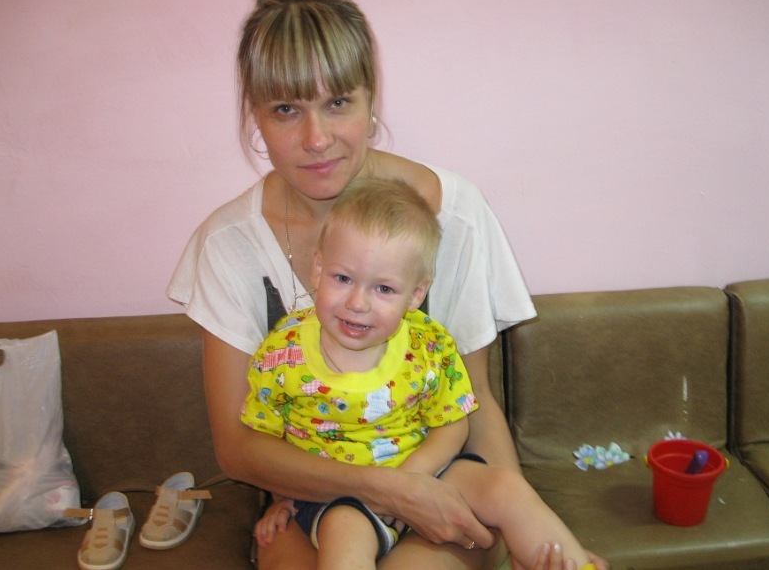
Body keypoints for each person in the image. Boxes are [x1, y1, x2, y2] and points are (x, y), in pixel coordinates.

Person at [167, 0, 607, 570]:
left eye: (338, 102)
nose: (316, 139)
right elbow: (240, 448)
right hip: (314, 498)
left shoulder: (454, 216)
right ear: (256, 116)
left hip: (439, 474)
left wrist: (507, 519)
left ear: (371, 100)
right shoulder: (228, 246)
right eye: (286, 109)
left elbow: (471, 404)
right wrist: (387, 490)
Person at [243, 178, 597, 570]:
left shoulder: (428, 344)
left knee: (505, 487)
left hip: (428, 473)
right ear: (318, 268)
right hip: (341, 497)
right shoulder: (282, 353)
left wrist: (410, 480)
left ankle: (570, 563)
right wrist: (282, 498)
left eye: (383, 289)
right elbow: (266, 436)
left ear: (415, 294)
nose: (357, 303)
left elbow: (453, 424)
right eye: (343, 279)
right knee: (343, 533)